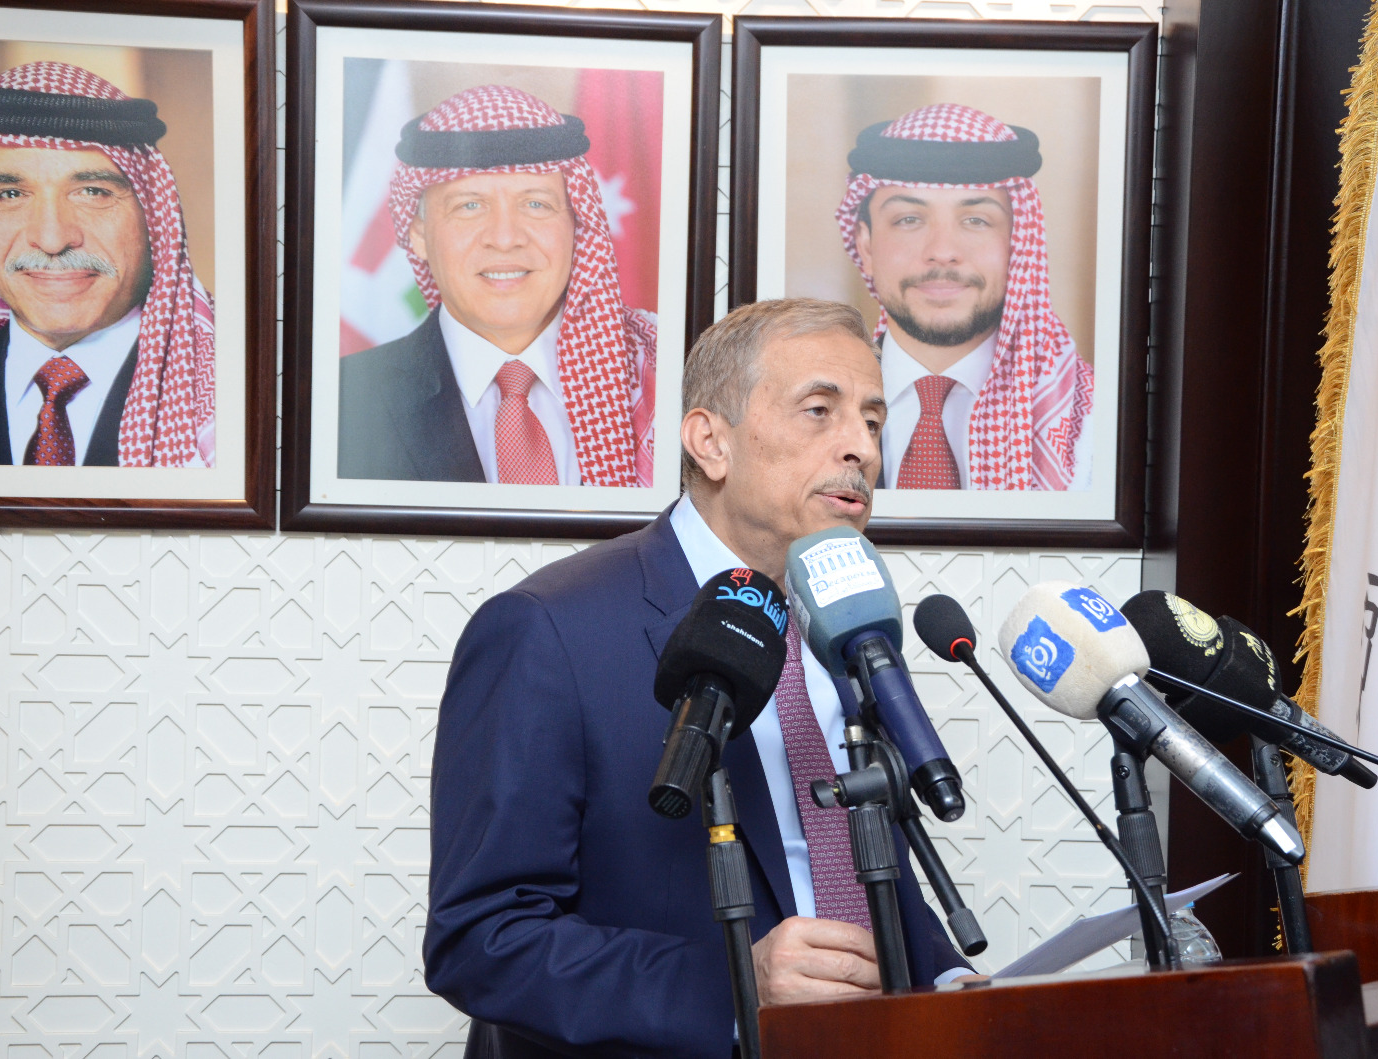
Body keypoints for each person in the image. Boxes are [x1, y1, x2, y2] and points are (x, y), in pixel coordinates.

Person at [425, 298, 967, 1057]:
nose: (863, 450)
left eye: (874, 422)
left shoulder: (849, 627)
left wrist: (954, 987)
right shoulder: (546, 630)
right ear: (711, 441)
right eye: (820, 411)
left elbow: (862, 877)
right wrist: (737, 987)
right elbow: (482, 939)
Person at [338, 84, 656, 487]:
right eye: (469, 205)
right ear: (418, 233)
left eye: (536, 204)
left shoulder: (660, 378)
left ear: (577, 222)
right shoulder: (342, 402)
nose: (505, 238)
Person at [0, 61, 216, 468]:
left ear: (154, 218)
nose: (52, 239)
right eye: (9, 194)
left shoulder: (231, 396)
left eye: (93, 192)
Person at [836, 103, 1093, 491]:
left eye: (976, 220)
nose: (942, 251)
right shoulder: (810, 409)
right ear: (866, 246)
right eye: (908, 219)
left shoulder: (1090, 423)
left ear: (1018, 244)